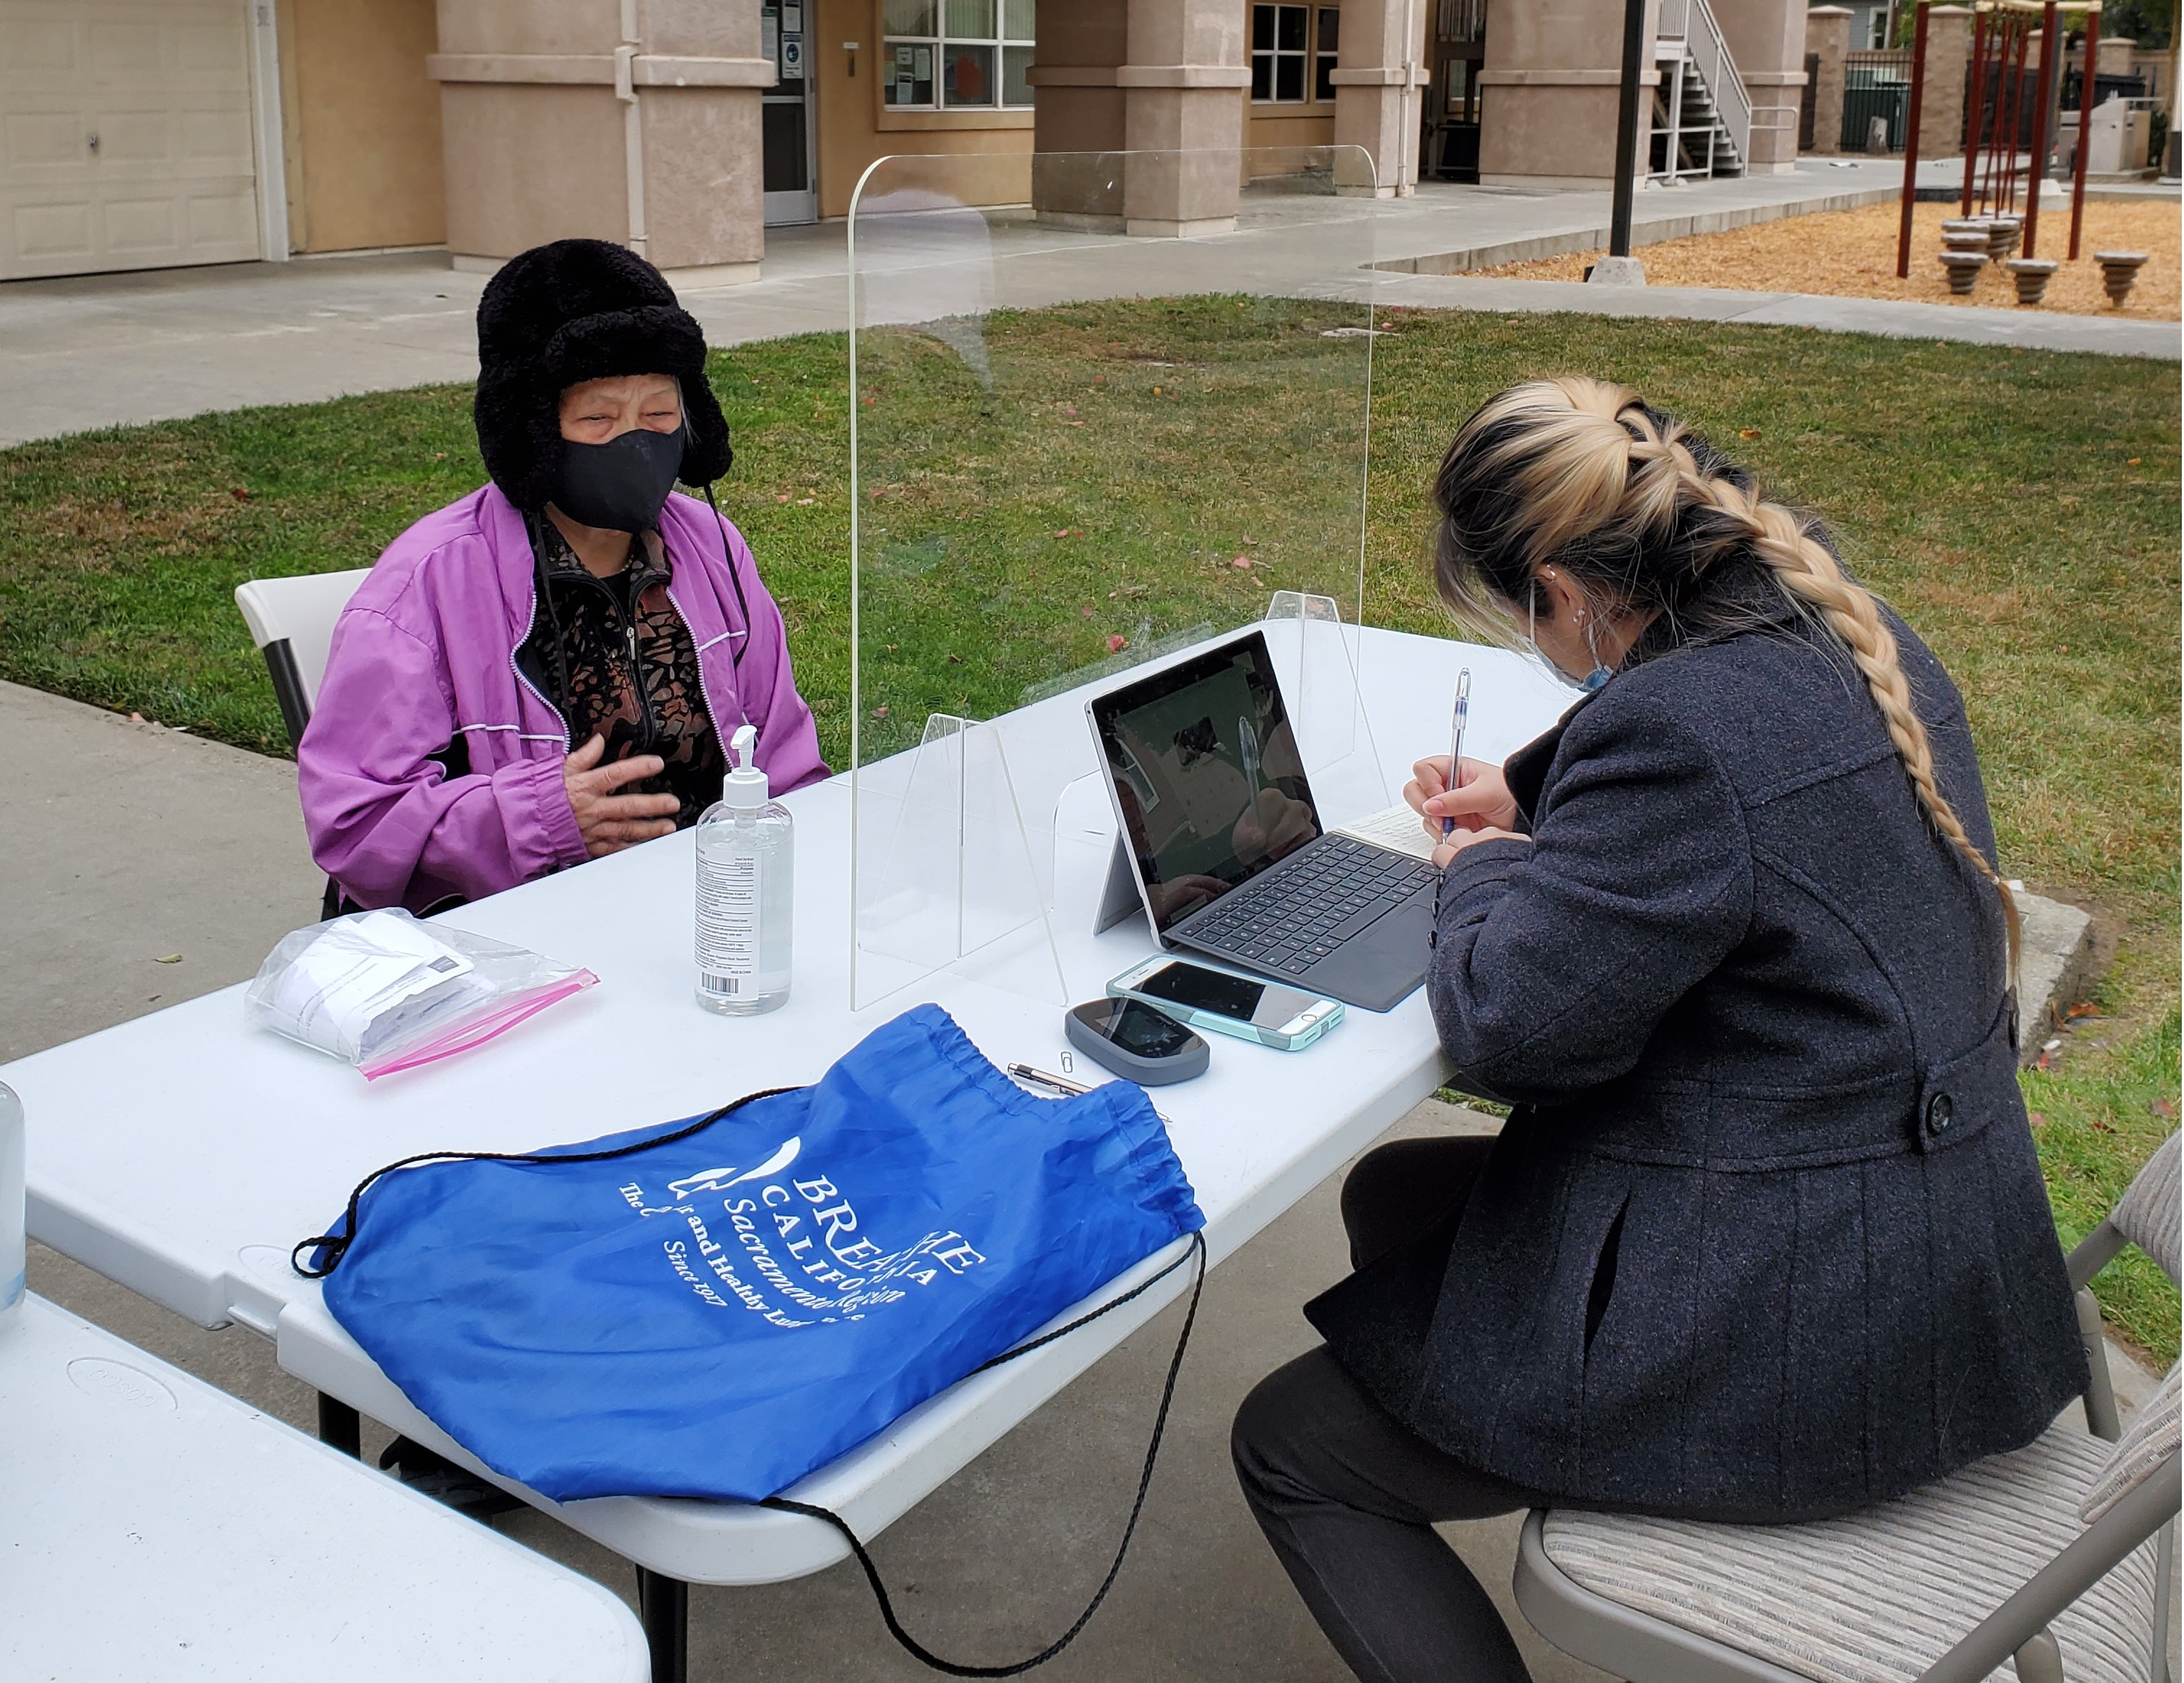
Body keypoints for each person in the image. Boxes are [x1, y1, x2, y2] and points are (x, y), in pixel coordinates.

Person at [1230, 377, 2086, 1683]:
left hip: (1823, 1338)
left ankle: (1586, 1467)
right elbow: (1693, 735)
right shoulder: (1840, 627)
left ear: (1564, 593)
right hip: (1933, 1246)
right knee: (1403, 1198)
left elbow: (1514, 1025)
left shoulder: (1680, 736)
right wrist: (1525, 788)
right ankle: (1532, 1434)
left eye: (1521, 619)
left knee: (1291, 1447)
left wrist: (1483, 873)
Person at [298, 238, 826, 914]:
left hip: (705, 906)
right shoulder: (425, 587)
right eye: (599, 418)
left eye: (660, 414)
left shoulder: (711, 546)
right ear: (533, 432)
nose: (636, 441)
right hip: (513, 938)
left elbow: (786, 760)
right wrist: (538, 817)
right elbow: (357, 826)